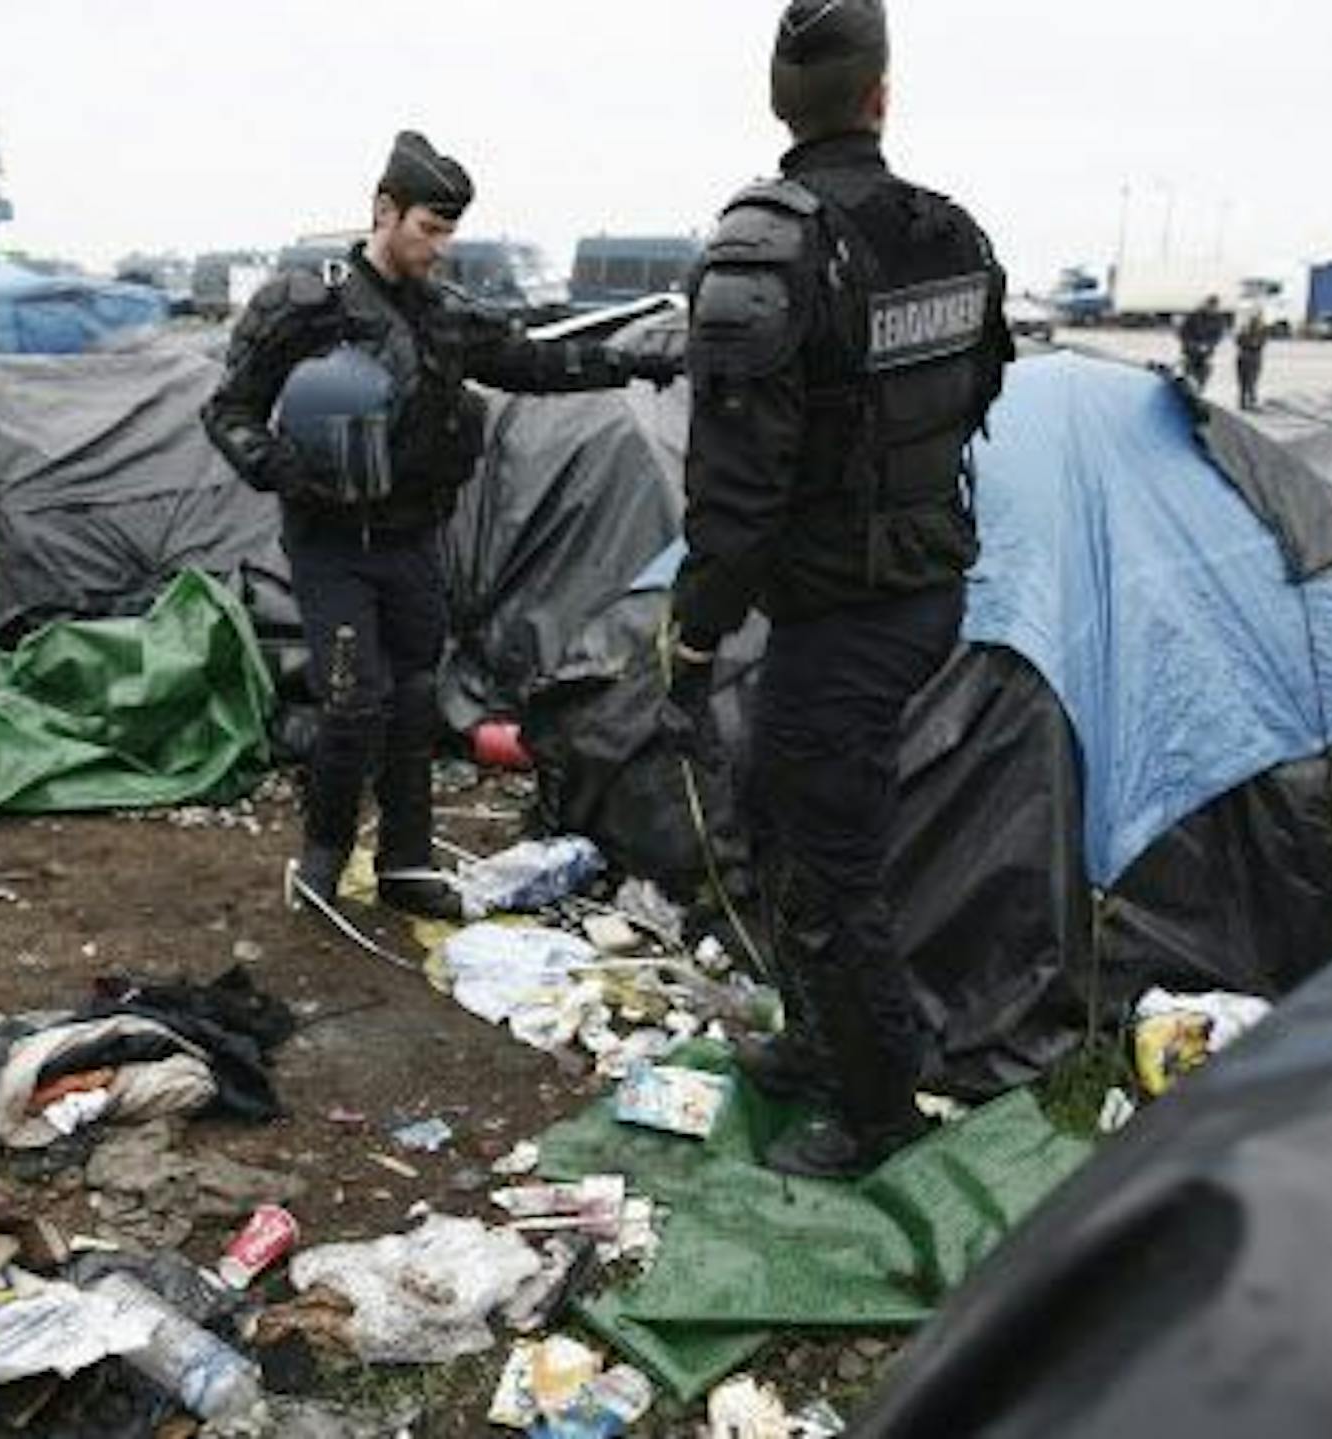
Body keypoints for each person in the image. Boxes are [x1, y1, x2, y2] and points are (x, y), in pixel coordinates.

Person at [658, 0, 1014, 1179]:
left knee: (827, 859)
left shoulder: (767, 246)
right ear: (881, 96)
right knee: (779, 807)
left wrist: (695, 634)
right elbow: (973, 396)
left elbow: (736, 487)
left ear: (780, 100)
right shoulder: (951, 235)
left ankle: (877, 1104)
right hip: (918, 587)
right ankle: (821, 1037)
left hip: (844, 609)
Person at [204, 131, 681, 921]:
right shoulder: (306, 305)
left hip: (413, 541)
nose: (440, 247)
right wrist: (282, 467)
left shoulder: (444, 316)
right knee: (353, 702)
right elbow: (228, 410)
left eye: (449, 231)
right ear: (384, 210)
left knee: (415, 701)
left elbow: (533, 363)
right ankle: (321, 862)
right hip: (331, 545)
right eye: (429, 228)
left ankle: (405, 864)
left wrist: (638, 362)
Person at [1178, 294, 1224, 392]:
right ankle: (1187, 388)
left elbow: (1218, 336)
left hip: (1205, 353)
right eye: (1210, 306)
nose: (1212, 309)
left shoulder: (1218, 320)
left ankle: (1200, 387)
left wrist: (1208, 344)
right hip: (1190, 351)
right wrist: (1191, 343)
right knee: (1189, 372)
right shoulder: (1194, 316)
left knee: (1204, 371)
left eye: (1214, 307)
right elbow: (1183, 332)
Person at [1234, 305, 1269, 410]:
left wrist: (1256, 343)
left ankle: (1249, 400)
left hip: (1254, 357)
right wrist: (1250, 343)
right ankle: (1246, 400)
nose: (1260, 319)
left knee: (1251, 380)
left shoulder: (1262, 330)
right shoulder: (1245, 329)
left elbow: (1263, 342)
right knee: (1245, 380)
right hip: (1246, 357)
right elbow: (1239, 341)